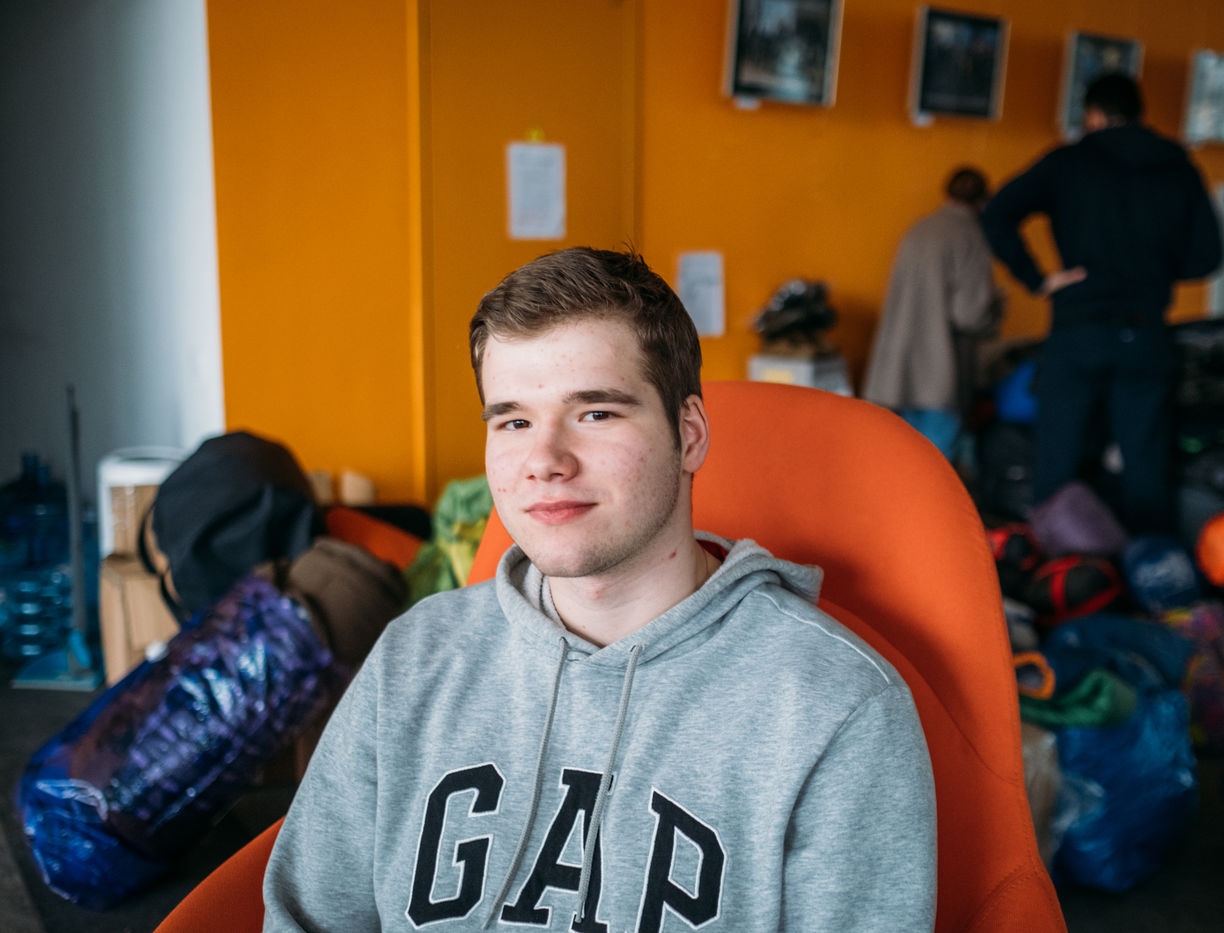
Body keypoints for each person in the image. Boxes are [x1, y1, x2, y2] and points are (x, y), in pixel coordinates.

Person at [262, 247, 937, 931]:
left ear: (689, 435)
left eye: (596, 413)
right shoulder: (414, 655)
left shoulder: (835, 704)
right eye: (514, 421)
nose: (545, 461)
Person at [980, 73, 1223, 534]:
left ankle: (1063, 569)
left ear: (1092, 115)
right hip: (1146, 332)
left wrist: (1038, 279)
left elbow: (997, 214)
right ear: (1137, 114)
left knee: (1058, 464)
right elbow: (1209, 256)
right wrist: (1155, 271)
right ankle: (1150, 568)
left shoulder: (1070, 162)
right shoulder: (1177, 166)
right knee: (1145, 466)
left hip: (1079, 330)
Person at [862, 167, 1002, 459]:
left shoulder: (919, 229)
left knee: (904, 457)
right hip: (941, 369)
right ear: (983, 199)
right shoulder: (971, 235)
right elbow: (969, 315)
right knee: (936, 464)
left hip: (900, 367)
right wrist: (998, 305)